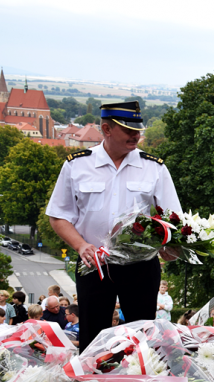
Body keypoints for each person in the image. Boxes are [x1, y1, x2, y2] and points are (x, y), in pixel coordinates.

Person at [46, 100, 182, 350]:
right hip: (94, 263)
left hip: (140, 265)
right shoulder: (77, 164)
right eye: (128, 130)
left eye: (138, 130)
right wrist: (80, 245)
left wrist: (170, 246)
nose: (136, 136)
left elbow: (173, 218)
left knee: (142, 337)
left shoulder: (154, 167)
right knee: (92, 337)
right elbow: (58, 215)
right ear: (106, 129)